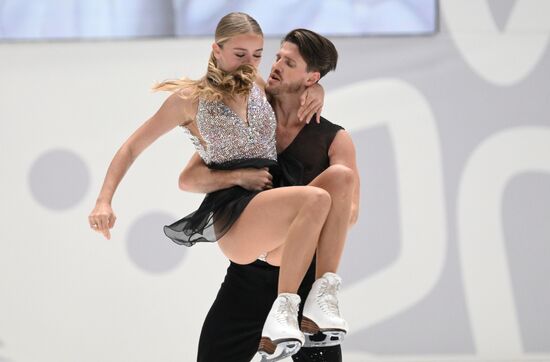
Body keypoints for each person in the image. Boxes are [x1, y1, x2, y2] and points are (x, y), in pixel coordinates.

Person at [88, 13, 350, 362]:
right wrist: (104, 201)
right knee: (315, 199)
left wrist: (316, 88)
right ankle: (285, 311)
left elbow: (294, 85)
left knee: (339, 181)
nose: (252, 63)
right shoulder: (188, 100)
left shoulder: (258, 85)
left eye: (258, 54)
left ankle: (320, 299)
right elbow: (132, 147)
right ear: (217, 49)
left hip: (270, 215)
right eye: (240, 54)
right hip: (234, 211)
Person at [179, 29, 360, 362]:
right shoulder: (251, 114)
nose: (275, 65)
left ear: (312, 77)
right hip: (248, 277)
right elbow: (190, 178)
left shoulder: (334, 138)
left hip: (303, 276)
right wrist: (239, 176)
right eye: (277, 56)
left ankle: (317, 299)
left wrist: (302, 223)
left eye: (288, 62)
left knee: (339, 179)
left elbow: (350, 213)